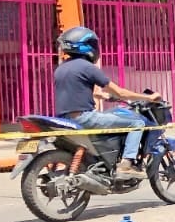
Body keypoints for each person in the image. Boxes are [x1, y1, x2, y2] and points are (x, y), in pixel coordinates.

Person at [52, 26, 162, 177]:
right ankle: (126, 164)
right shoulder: (87, 67)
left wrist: (101, 96)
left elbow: (75, 91)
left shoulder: (61, 68)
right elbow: (120, 92)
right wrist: (149, 98)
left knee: (110, 117)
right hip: (84, 118)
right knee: (137, 123)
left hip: (64, 119)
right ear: (86, 46)